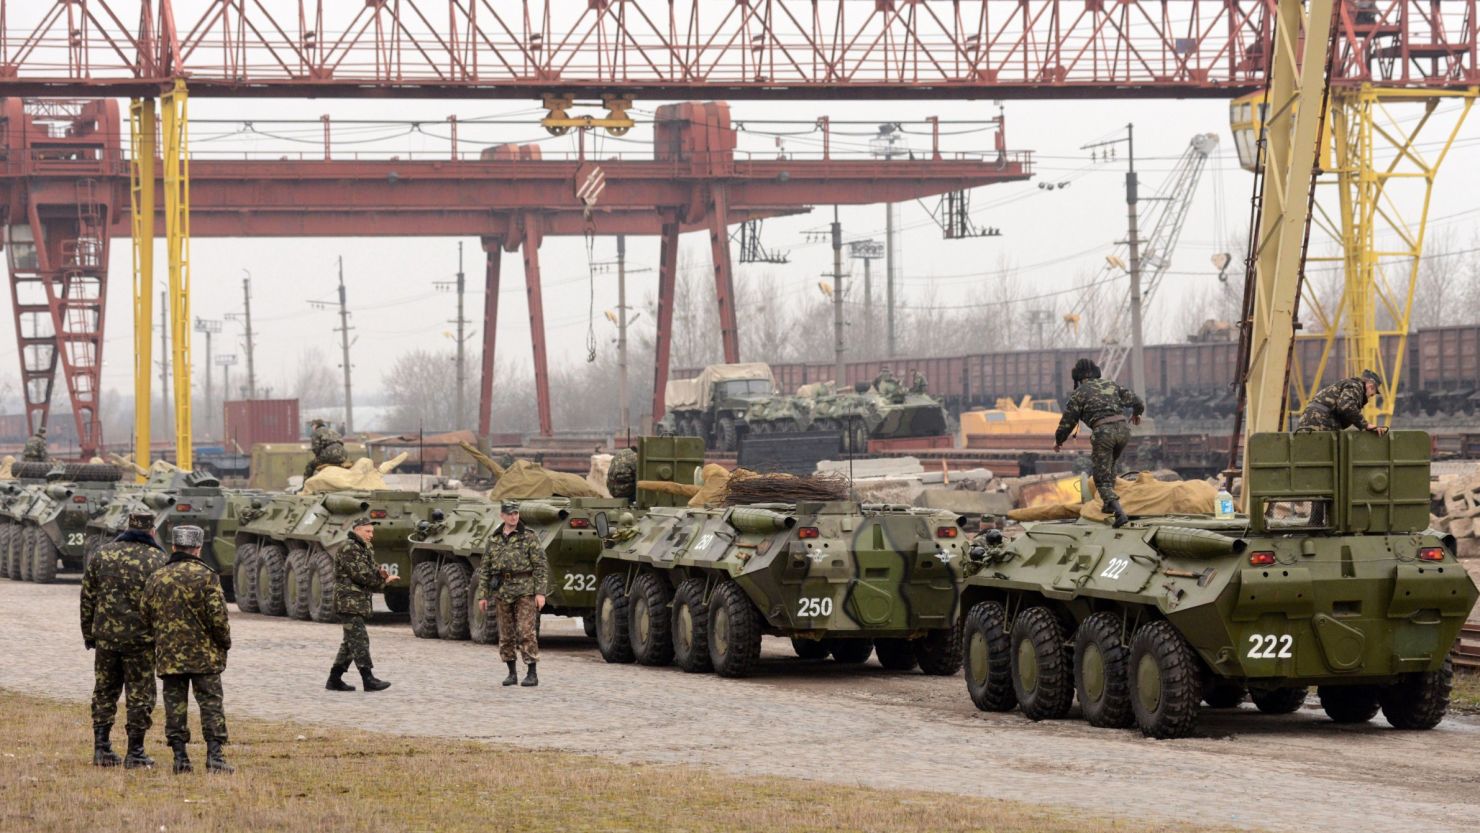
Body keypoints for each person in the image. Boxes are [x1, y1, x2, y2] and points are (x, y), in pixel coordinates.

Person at [140, 526, 234, 775]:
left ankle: (180, 758)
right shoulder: (207, 576)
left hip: (170, 656)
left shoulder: (157, 577)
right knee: (211, 704)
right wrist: (224, 643)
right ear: (198, 548)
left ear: (173, 547)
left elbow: (145, 614)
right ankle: (215, 756)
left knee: (175, 706)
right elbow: (218, 618)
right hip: (205, 656)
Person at [80, 510, 166, 769]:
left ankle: (101, 748)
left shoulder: (103, 555)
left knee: (104, 691)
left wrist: (89, 634)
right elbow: (162, 605)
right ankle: (136, 751)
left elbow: (88, 598)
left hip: (106, 638)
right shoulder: (158, 560)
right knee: (140, 695)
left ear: (128, 527)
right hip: (141, 641)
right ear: (151, 531)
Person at [1053, 358, 1144, 528]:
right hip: (1123, 431)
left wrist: (1059, 441)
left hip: (1103, 433)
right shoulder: (1112, 385)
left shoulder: (1079, 393)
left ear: (1078, 378)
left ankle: (1119, 513)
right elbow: (1137, 401)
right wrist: (1136, 414)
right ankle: (1108, 505)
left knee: (1101, 480)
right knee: (1110, 467)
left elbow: (1067, 422)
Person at [476, 500, 548, 687]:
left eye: (516, 513)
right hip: (502, 591)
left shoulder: (529, 537)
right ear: (502, 516)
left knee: (526, 631)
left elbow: (540, 566)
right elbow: (485, 569)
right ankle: (511, 673)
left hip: (525, 590)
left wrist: (540, 593)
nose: (514, 517)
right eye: (510, 514)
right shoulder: (494, 539)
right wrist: (483, 595)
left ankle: (532, 673)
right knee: (506, 634)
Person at [326, 516, 397, 692]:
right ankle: (368, 678)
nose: (371, 535)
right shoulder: (349, 548)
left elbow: (374, 569)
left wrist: (384, 578)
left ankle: (334, 679)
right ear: (357, 530)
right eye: (368, 531)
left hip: (357, 601)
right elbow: (362, 574)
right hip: (348, 601)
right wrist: (382, 578)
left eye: (372, 531)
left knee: (351, 642)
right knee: (360, 639)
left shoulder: (363, 547)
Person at [1295, 370, 1389, 436]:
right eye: (1372, 394)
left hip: (1310, 420)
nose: (1370, 397)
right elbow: (1346, 406)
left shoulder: (1348, 384)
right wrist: (1365, 425)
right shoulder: (1355, 386)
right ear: (1370, 386)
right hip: (1320, 422)